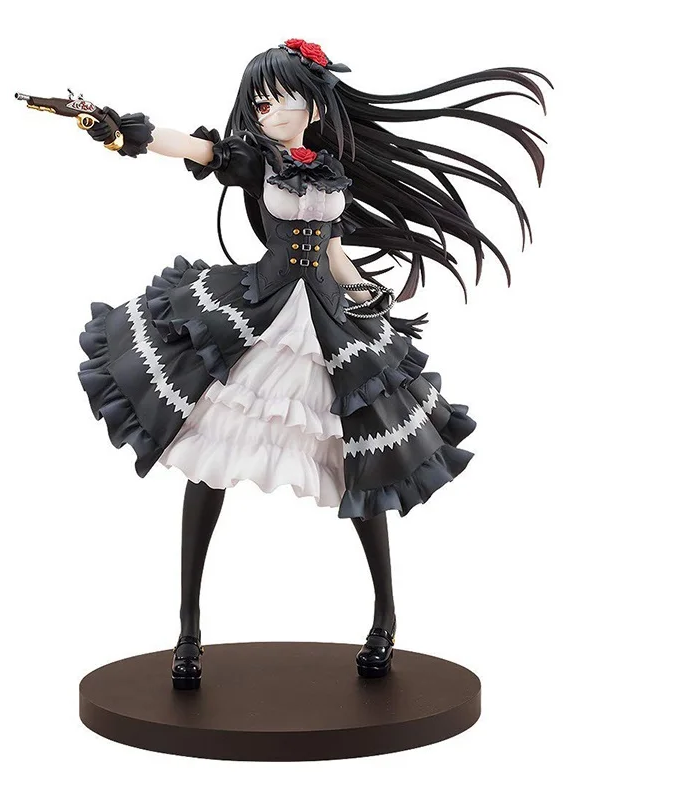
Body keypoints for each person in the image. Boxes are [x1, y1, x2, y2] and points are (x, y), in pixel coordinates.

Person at [76, 39, 551, 688]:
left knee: (364, 466)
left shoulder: (328, 169)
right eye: (259, 101)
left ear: (314, 106)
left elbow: (331, 251)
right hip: (262, 316)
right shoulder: (255, 159)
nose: (267, 110)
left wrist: (364, 290)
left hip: (328, 323)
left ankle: (385, 618)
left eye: (279, 98)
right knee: (212, 456)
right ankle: (188, 631)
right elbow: (195, 148)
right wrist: (123, 132)